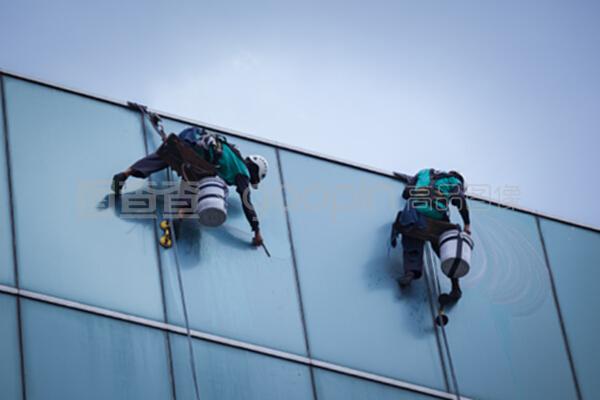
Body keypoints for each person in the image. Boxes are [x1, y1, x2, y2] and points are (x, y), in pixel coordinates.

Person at [111, 122, 268, 247]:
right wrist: (257, 230)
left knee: (164, 158)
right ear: (255, 172)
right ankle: (179, 216)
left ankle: (125, 174)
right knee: (203, 189)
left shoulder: (232, 152)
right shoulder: (242, 173)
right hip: (201, 156)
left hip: (189, 138)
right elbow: (247, 202)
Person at [391, 168, 471, 301]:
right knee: (448, 250)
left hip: (416, 216)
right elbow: (460, 198)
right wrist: (467, 224)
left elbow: (406, 193)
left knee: (412, 235)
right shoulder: (453, 180)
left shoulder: (424, 172)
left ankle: (410, 273)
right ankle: (456, 288)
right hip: (437, 219)